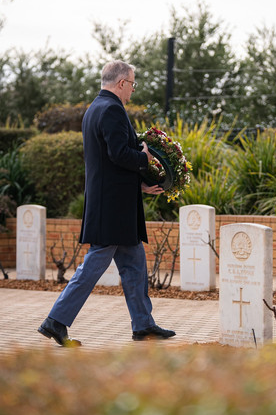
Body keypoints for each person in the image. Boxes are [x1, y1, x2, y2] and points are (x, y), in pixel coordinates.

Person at [38, 60, 176, 346]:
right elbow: (119, 154)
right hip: (112, 210)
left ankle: (143, 324)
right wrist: (146, 159)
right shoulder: (112, 108)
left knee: (135, 265)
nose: (132, 91)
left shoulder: (94, 109)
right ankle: (56, 320)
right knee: (92, 267)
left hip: (116, 205)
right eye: (133, 85)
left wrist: (140, 184)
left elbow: (108, 162)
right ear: (122, 82)